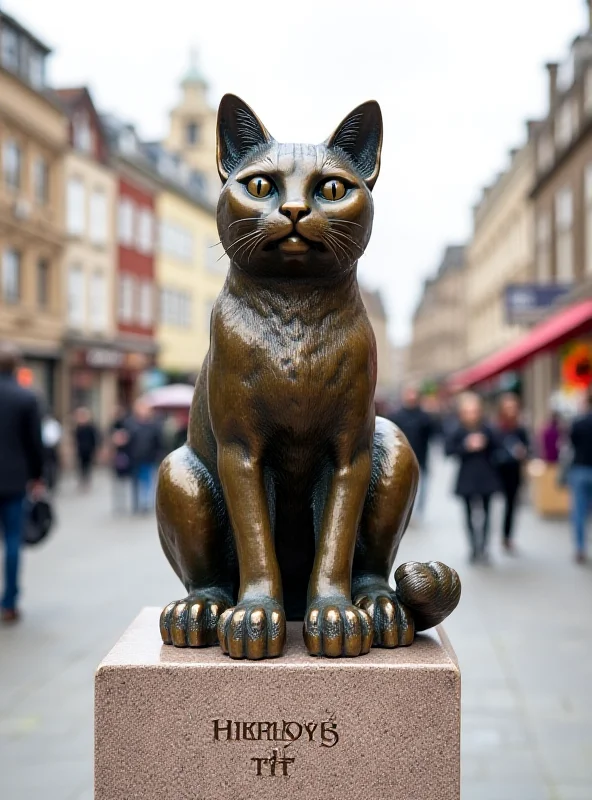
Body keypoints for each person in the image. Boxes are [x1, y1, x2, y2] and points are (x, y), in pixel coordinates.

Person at [0, 343, 44, 622]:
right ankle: (9, 601)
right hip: (14, 480)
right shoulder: (26, 398)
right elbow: (35, 444)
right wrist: (38, 476)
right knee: (13, 539)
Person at [446, 392, 501, 563]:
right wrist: (466, 446)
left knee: (486, 514)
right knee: (469, 514)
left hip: (486, 476)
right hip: (467, 478)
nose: (472, 415)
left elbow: (498, 449)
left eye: (475, 411)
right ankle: (473, 548)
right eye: (468, 411)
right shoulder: (457, 430)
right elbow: (449, 451)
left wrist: (486, 444)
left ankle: (484, 547)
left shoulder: (488, 429)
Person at [390, 386, 434, 520]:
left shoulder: (424, 416)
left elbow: (432, 433)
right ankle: (405, 511)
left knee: (422, 487)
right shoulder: (397, 416)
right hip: (401, 458)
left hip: (421, 457)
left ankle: (417, 513)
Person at [493, 393, 530, 553]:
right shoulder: (496, 428)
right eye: (507, 407)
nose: (511, 411)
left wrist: (523, 452)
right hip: (497, 471)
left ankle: (506, 536)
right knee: (491, 504)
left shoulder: (520, 429)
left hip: (513, 472)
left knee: (511, 505)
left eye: (513, 407)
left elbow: (528, 447)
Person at [568, 390, 592, 564]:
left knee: (579, 511)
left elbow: (571, 443)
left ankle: (580, 547)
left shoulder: (578, 422)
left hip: (580, 469)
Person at [126, 400, 163, 514]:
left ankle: (145, 503)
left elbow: (159, 442)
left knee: (147, 480)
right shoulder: (130, 424)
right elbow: (127, 441)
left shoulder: (154, 425)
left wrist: (158, 454)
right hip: (134, 458)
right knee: (135, 482)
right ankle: (137, 503)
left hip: (149, 457)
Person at [110, 406, 132, 513]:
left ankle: (122, 503)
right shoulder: (113, 425)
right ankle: (119, 503)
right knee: (118, 482)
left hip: (125, 456)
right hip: (117, 457)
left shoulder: (127, 425)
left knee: (124, 482)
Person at [73, 407, 99, 489]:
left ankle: (87, 481)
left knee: (88, 466)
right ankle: (82, 481)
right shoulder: (78, 427)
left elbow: (94, 438)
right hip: (81, 449)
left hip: (88, 449)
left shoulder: (90, 427)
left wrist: (94, 449)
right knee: (81, 466)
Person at [41, 410, 62, 491]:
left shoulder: (53, 424)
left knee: (52, 465)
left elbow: (56, 436)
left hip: (51, 447)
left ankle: (52, 482)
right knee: (47, 465)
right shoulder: (43, 424)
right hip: (44, 447)